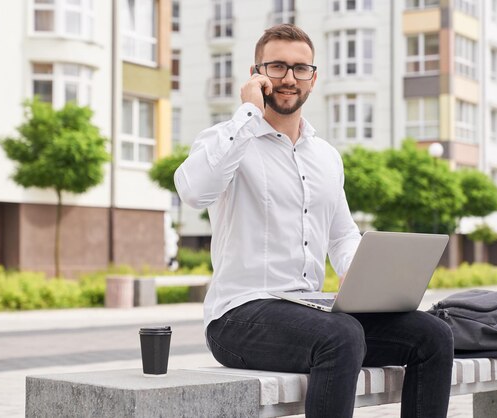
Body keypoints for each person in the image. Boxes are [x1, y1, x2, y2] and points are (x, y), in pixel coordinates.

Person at [174, 24, 453, 418]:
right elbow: (193, 191)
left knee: (433, 335)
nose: (289, 78)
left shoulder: (325, 156)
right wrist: (249, 112)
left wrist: (369, 282)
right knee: (340, 336)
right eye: (276, 67)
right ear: (256, 74)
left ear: (314, 78)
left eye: (300, 69)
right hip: (238, 316)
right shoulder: (225, 139)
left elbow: (341, 236)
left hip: (311, 313)